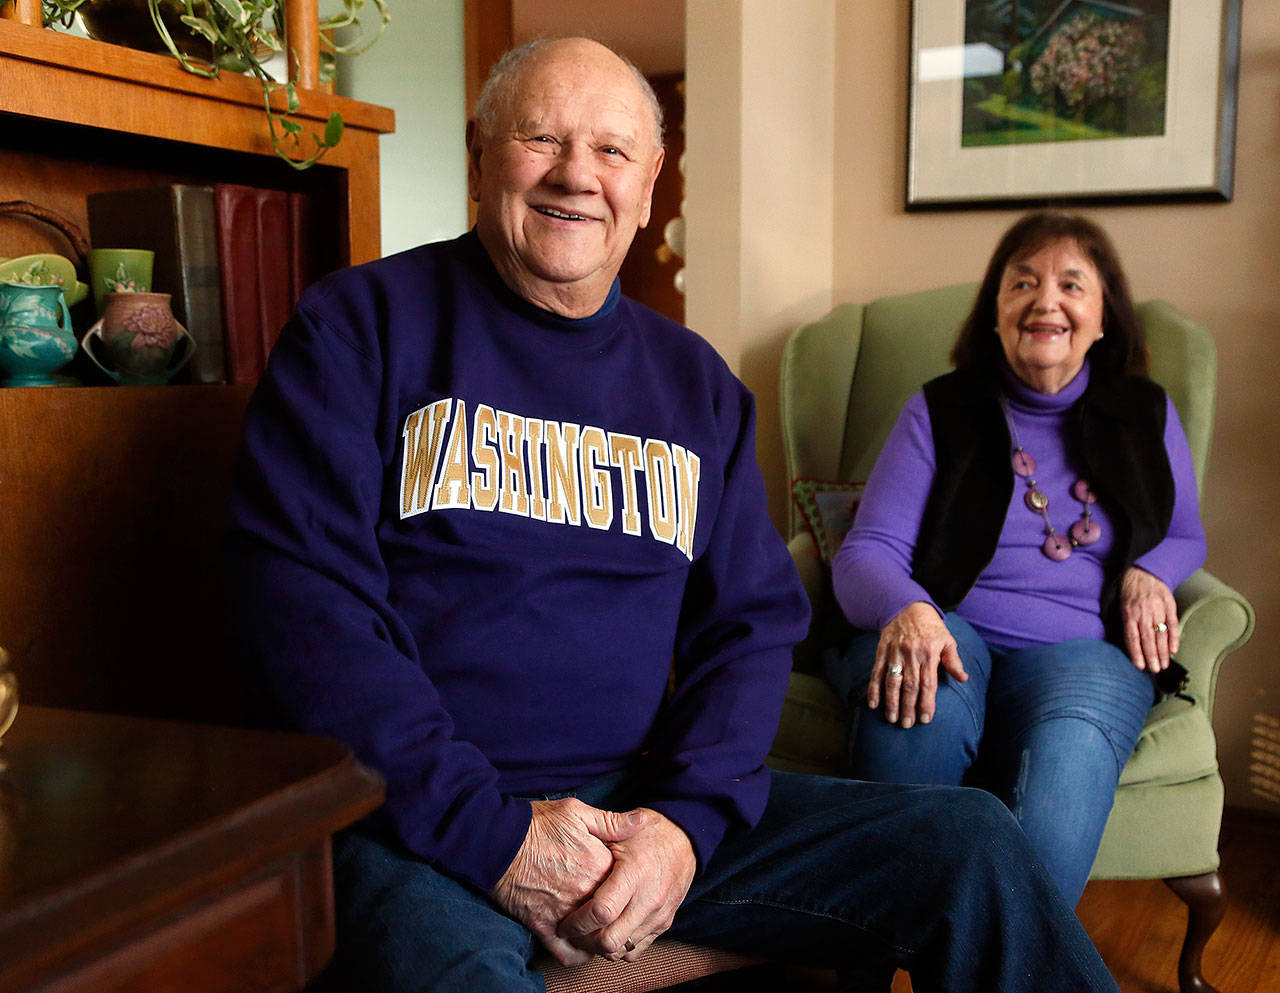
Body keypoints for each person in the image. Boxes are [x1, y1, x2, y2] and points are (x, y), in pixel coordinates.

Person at [227, 39, 1122, 993]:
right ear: (480, 152)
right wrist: (496, 835)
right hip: (421, 820)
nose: (578, 173)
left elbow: (749, 627)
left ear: (650, 186)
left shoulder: (697, 388)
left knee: (970, 840)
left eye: (612, 152)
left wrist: (683, 825)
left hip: (642, 807)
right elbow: (306, 613)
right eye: (541, 137)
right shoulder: (357, 329)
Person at [825, 211, 1207, 908]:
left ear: (1102, 317)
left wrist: (1152, 571)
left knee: (1066, 766)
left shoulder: (1144, 411)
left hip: (1083, 649)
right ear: (996, 311)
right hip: (949, 628)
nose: (1045, 300)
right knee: (914, 711)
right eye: (1022, 282)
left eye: (1071, 284)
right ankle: (868, 962)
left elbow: (1184, 532)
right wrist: (910, 609)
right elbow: (867, 553)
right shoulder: (939, 409)